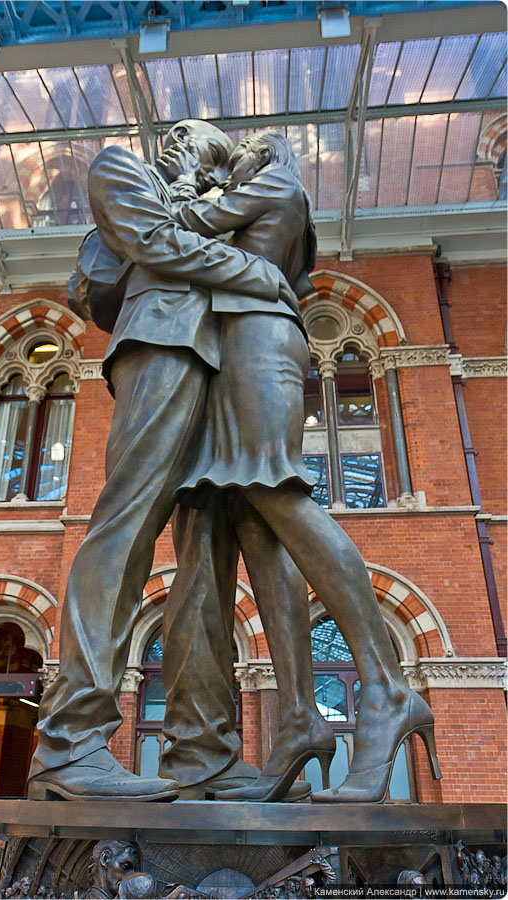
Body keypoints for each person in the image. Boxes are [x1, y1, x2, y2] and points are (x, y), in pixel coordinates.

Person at [27, 120, 313, 802]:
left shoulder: (219, 203)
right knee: (124, 525)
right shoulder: (121, 168)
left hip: (222, 370)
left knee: (209, 561)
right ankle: (70, 743)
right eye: (184, 135)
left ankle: (203, 753)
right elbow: (151, 244)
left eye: (209, 148)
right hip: (160, 345)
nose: (187, 146)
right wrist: (258, 274)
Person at [161, 132, 441, 803]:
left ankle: (386, 688)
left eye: (251, 148)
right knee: (257, 520)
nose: (240, 157)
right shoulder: (259, 199)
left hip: (258, 339)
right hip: (236, 344)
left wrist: (190, 177)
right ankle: (296, 717)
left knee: (277, 492)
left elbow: (182, 227)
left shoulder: (276, 186)